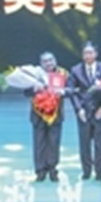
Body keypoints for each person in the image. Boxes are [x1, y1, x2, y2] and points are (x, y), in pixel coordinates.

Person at [68, 41, 101, 181]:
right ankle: (86, 171)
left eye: (90, 53)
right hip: (84, 112)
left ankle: (99, 171)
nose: (88, 56)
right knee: (84, 143)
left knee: (100, 144)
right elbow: (72, 92)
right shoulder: (75, 70)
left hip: (99, 110)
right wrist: (78, 109)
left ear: (96, 54)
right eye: (85, 53)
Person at [25, 51, 68, 182]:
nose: (49, 63)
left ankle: (53, 169)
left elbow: (71, 89)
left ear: (55, 61)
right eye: (45, 61)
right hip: (38, 114)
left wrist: (63, 91)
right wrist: (33, 88)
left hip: (56, 114)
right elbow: (26, 92)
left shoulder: (63, 74)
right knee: (39, 143)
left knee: (54, 143)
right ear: (41, 64)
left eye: (51, 60)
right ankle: (40, 171)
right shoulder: (34, 75)